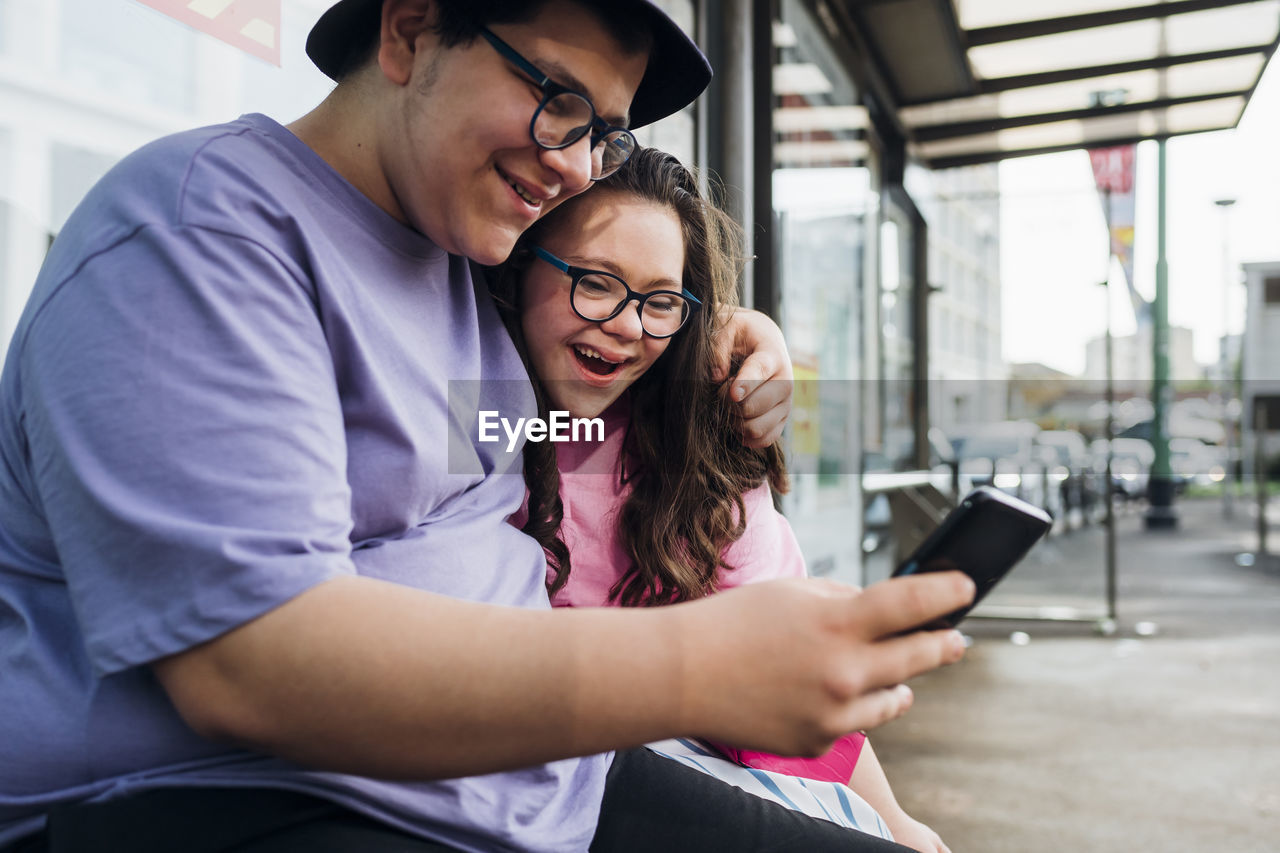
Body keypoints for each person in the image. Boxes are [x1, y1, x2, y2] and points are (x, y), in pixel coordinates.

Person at [0, 2, 975, 851]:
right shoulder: (197, 235)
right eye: (556, 98)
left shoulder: (460, 264)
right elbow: (250, 663)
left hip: (526, 786)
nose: (573, 162)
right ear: (411, 28)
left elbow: (560, 426)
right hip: (244, 800)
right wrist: (698, 665)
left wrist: (714, 342)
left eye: (601, 128)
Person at [491, 147, 949, 852]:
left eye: (661, 300)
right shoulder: (474, 418)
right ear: (521, 263)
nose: (628, 324)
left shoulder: (702, 448)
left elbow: (782, 689)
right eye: (596, 282)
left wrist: (902, 824)